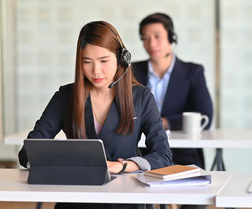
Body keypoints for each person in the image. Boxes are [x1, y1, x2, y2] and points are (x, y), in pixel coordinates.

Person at [18, 20, 173, 209]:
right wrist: (60, 161)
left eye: (104, 61)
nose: (96, 71)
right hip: (77, 199)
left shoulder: (141, 97)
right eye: (87, 62)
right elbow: (28, 151)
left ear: (121, 58)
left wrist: (124, 165)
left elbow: (163, 155)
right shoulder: (66, 96)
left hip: (124, 199)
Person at [132, 12, 213, 170]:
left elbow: (205, 116)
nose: (151, 43)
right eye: (145, 38)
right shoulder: (132, 71)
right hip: (140, 154)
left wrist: (161, 122)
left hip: (182, 154)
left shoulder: (192, 72)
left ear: (171, 37)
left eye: (157, 36)